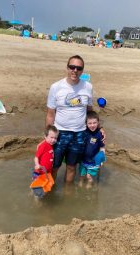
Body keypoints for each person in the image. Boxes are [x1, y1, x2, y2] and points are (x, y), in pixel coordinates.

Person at [46, 55, 106, 183]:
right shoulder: (56, 87)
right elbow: (51, 114)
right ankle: (50, 191)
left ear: (82, 70)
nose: (75, 70)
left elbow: (89, 111)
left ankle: (68, 194)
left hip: (79, 134)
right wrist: (47, 136)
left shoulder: (88, 87)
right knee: (54, 166)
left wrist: (99, 129)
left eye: (78, 68)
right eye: (72, 67)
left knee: (72, 166)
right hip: (60, 133)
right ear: (67, 68)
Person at [78, 111, 106, 188]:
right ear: (86, 124)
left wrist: (101, 160)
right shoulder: (84, 131)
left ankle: (88, 188)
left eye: (94, 123)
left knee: (89, 177)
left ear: (98, 123)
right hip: (83, 160)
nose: (92, 125)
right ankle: (80, 186)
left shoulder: (99, 134)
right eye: (90, 123)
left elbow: (102, 148)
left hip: (93, 161)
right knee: (81, 175)